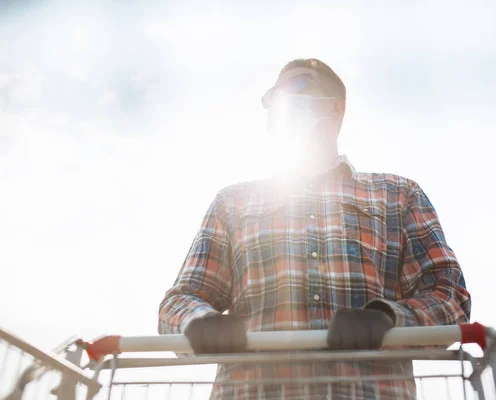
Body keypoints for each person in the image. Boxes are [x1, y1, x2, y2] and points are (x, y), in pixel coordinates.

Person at [158, 58, 471, 400]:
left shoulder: (397, 195)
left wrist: (389, 318)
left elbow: (449, 296)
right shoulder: (234, 203)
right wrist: (200, 322)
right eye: (275, 96)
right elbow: (179, 301)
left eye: (298, 87)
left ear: (336, 108)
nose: (284, 102)